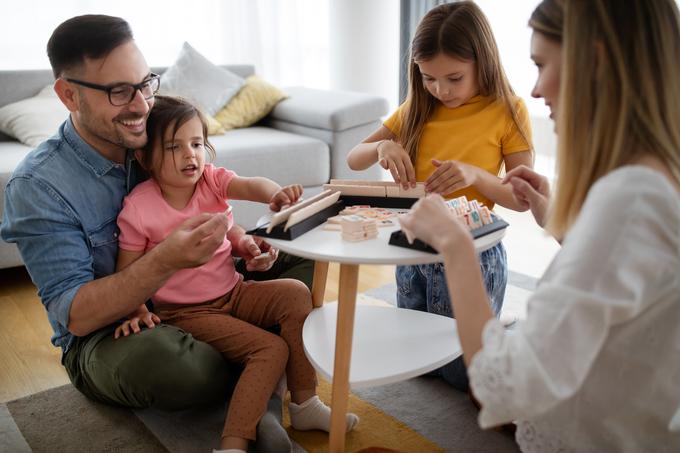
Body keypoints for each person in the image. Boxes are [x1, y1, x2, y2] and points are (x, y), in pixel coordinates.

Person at [0, 15, 311, 452]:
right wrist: (165, 260)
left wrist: (242, 242)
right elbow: (77, 315)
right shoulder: (39, 188)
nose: (142, 104)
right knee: (185, 370)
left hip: (209, 293)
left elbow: (210, 203)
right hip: (111, 330)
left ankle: (255, 370)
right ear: (68, 94)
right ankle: (261, 375)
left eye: (145, 83)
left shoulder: (158, 135)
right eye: (118, 91)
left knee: (299, 246)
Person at [398, 0, 680, 450]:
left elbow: (506, 387)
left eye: (541, 64)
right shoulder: (659, 176)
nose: (534, 89)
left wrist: (456, 243)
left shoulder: (630, 199)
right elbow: (631, 275)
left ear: (597, 61)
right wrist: (562, 224)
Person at [115, 95, 358, 453]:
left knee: (294, 292)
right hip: (188, 313)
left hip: (235, 291)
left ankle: (304, 404)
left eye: (197, 144)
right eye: (173, 147)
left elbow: (248, 186)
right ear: (144, 157)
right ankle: (232, 443)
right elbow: (128, 271)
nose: (190, 155)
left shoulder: (211, 182)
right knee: (270, 349)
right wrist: (136, 310)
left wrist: (273, 197)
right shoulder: (139, 207)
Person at [346, 1, 533, 391]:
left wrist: (476, 175)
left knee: (463, 376)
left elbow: (521, 199)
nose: (440, 90)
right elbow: (354, 158)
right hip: (413, 252)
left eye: (454, 78)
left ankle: (497, 327)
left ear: (483, 62)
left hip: (473, 254)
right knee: (420, 363)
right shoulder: (418, 106)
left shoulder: (508, 111)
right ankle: (491, 326)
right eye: (429, 77)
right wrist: (381, 148)